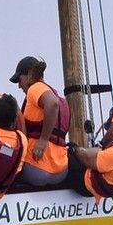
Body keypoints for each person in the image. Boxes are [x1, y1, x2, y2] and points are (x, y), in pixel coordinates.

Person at [9, 56, 69, 188]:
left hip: (36, 168)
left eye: (19, 80)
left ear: (28, 76)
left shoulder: (35, 88)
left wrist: (42, 141)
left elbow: (52, 103)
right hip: (61, 170)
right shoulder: (58, 94)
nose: (19, 86)